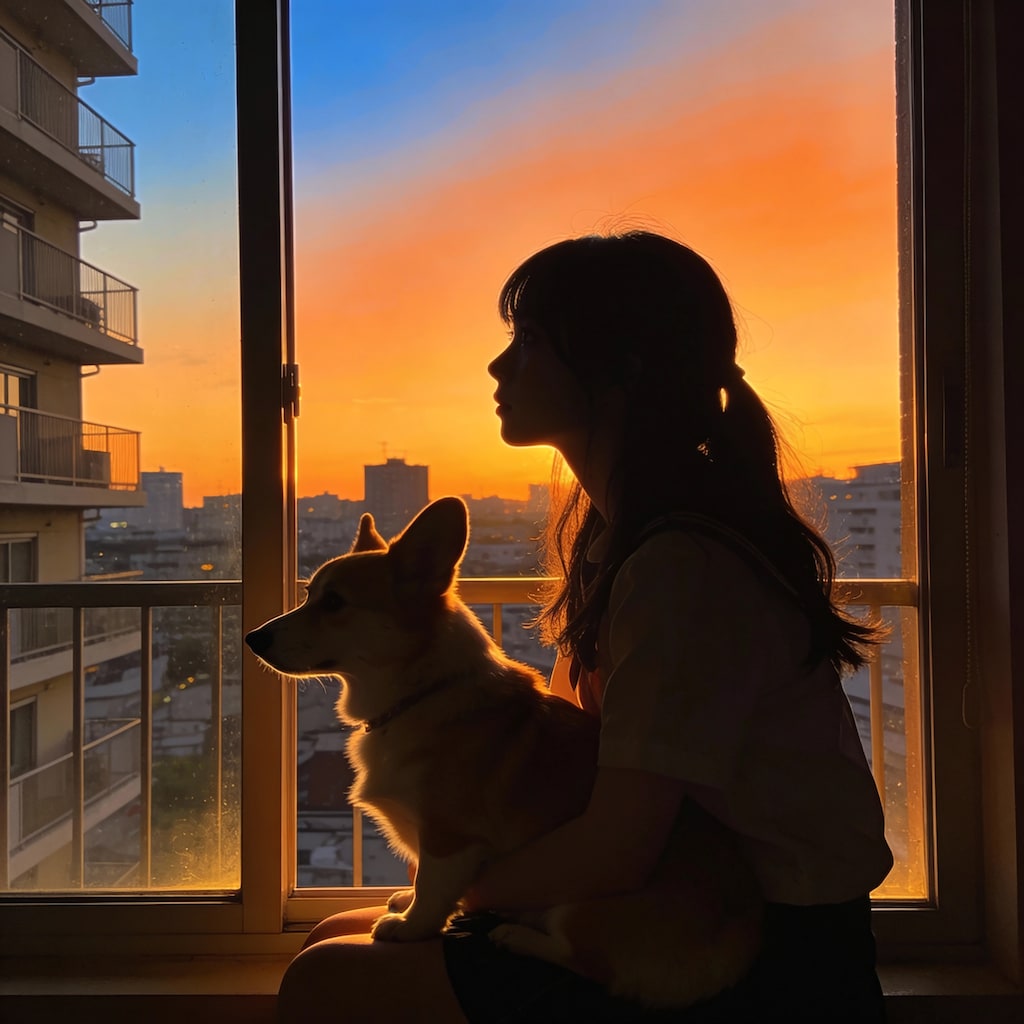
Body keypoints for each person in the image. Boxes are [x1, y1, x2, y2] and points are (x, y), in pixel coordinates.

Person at [276, 230, 894, 1023]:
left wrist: (461, 885)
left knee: (325, 980)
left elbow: (618, 843)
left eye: (529, 342)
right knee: (333, 935)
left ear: (623, 369)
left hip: (747, 952)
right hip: (681, 909)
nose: (500, 368)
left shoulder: (680, 569)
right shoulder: (619, 539)